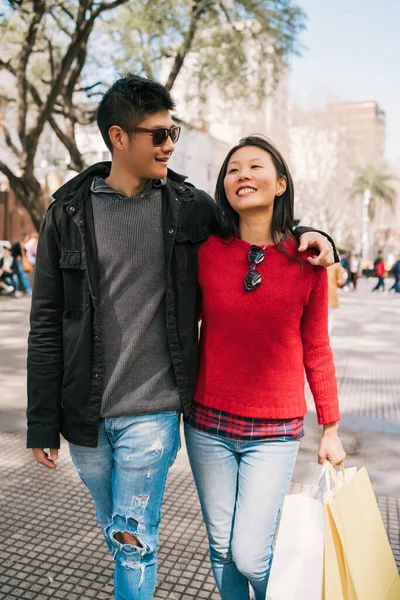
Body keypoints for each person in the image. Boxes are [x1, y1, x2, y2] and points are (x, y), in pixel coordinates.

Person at [27, 75, 337, 600]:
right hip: (83, 408)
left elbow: (257, 223)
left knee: (136, 536)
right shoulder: (68, 213)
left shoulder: (188, 206)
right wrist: (41, 422)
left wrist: (318, 235)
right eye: (159, 134)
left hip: (155, 407)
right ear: (119, 138)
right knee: (122, 531)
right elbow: (47, 322)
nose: (170, 143)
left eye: (173, 131)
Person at [184, 135, 346, 600]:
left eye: (255, 167)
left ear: (280, 184)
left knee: (251, 553)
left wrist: (330, 427)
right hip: (207, 424)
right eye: (233, 169)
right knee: (220, 547)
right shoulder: (206, 253)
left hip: (274, 432)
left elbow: (317, 346)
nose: (242, 176)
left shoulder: (309, 258)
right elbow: (179, 322)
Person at [327, 261, 345, 333]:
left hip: (318, 294)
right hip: (331, 294)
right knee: (329, 318)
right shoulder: (336, 265)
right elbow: (340, 281)